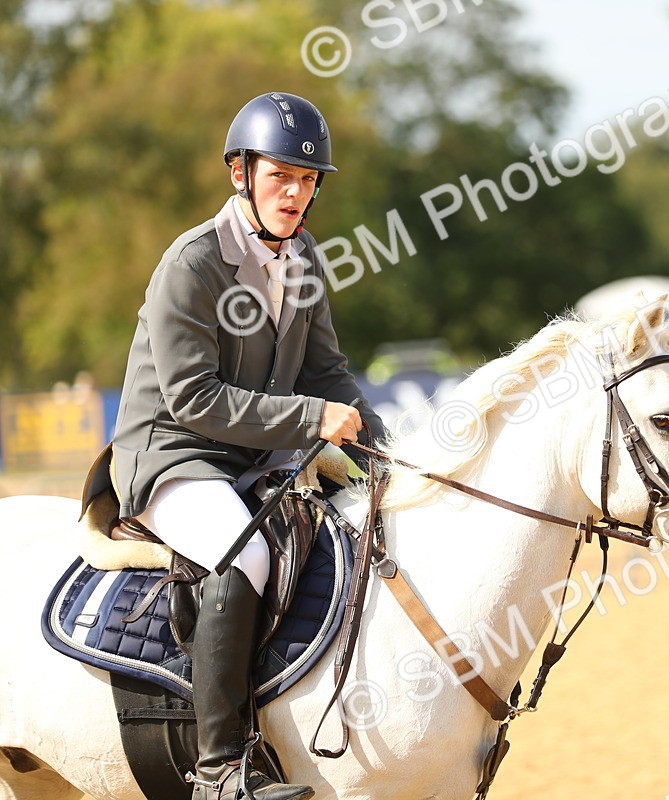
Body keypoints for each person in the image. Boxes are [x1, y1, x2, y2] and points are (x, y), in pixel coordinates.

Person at [107, 91, 385, 800]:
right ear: (242, 174)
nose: (296, 193)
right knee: (246, 550)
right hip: (172, 454)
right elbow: (194, 400)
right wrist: (308, 422)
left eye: (308, 179)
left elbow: (328, 376)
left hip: (254, 458)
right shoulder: (192, 264)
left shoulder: (305, 256)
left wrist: (394, 459)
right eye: (281, 176)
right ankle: (217, 771)